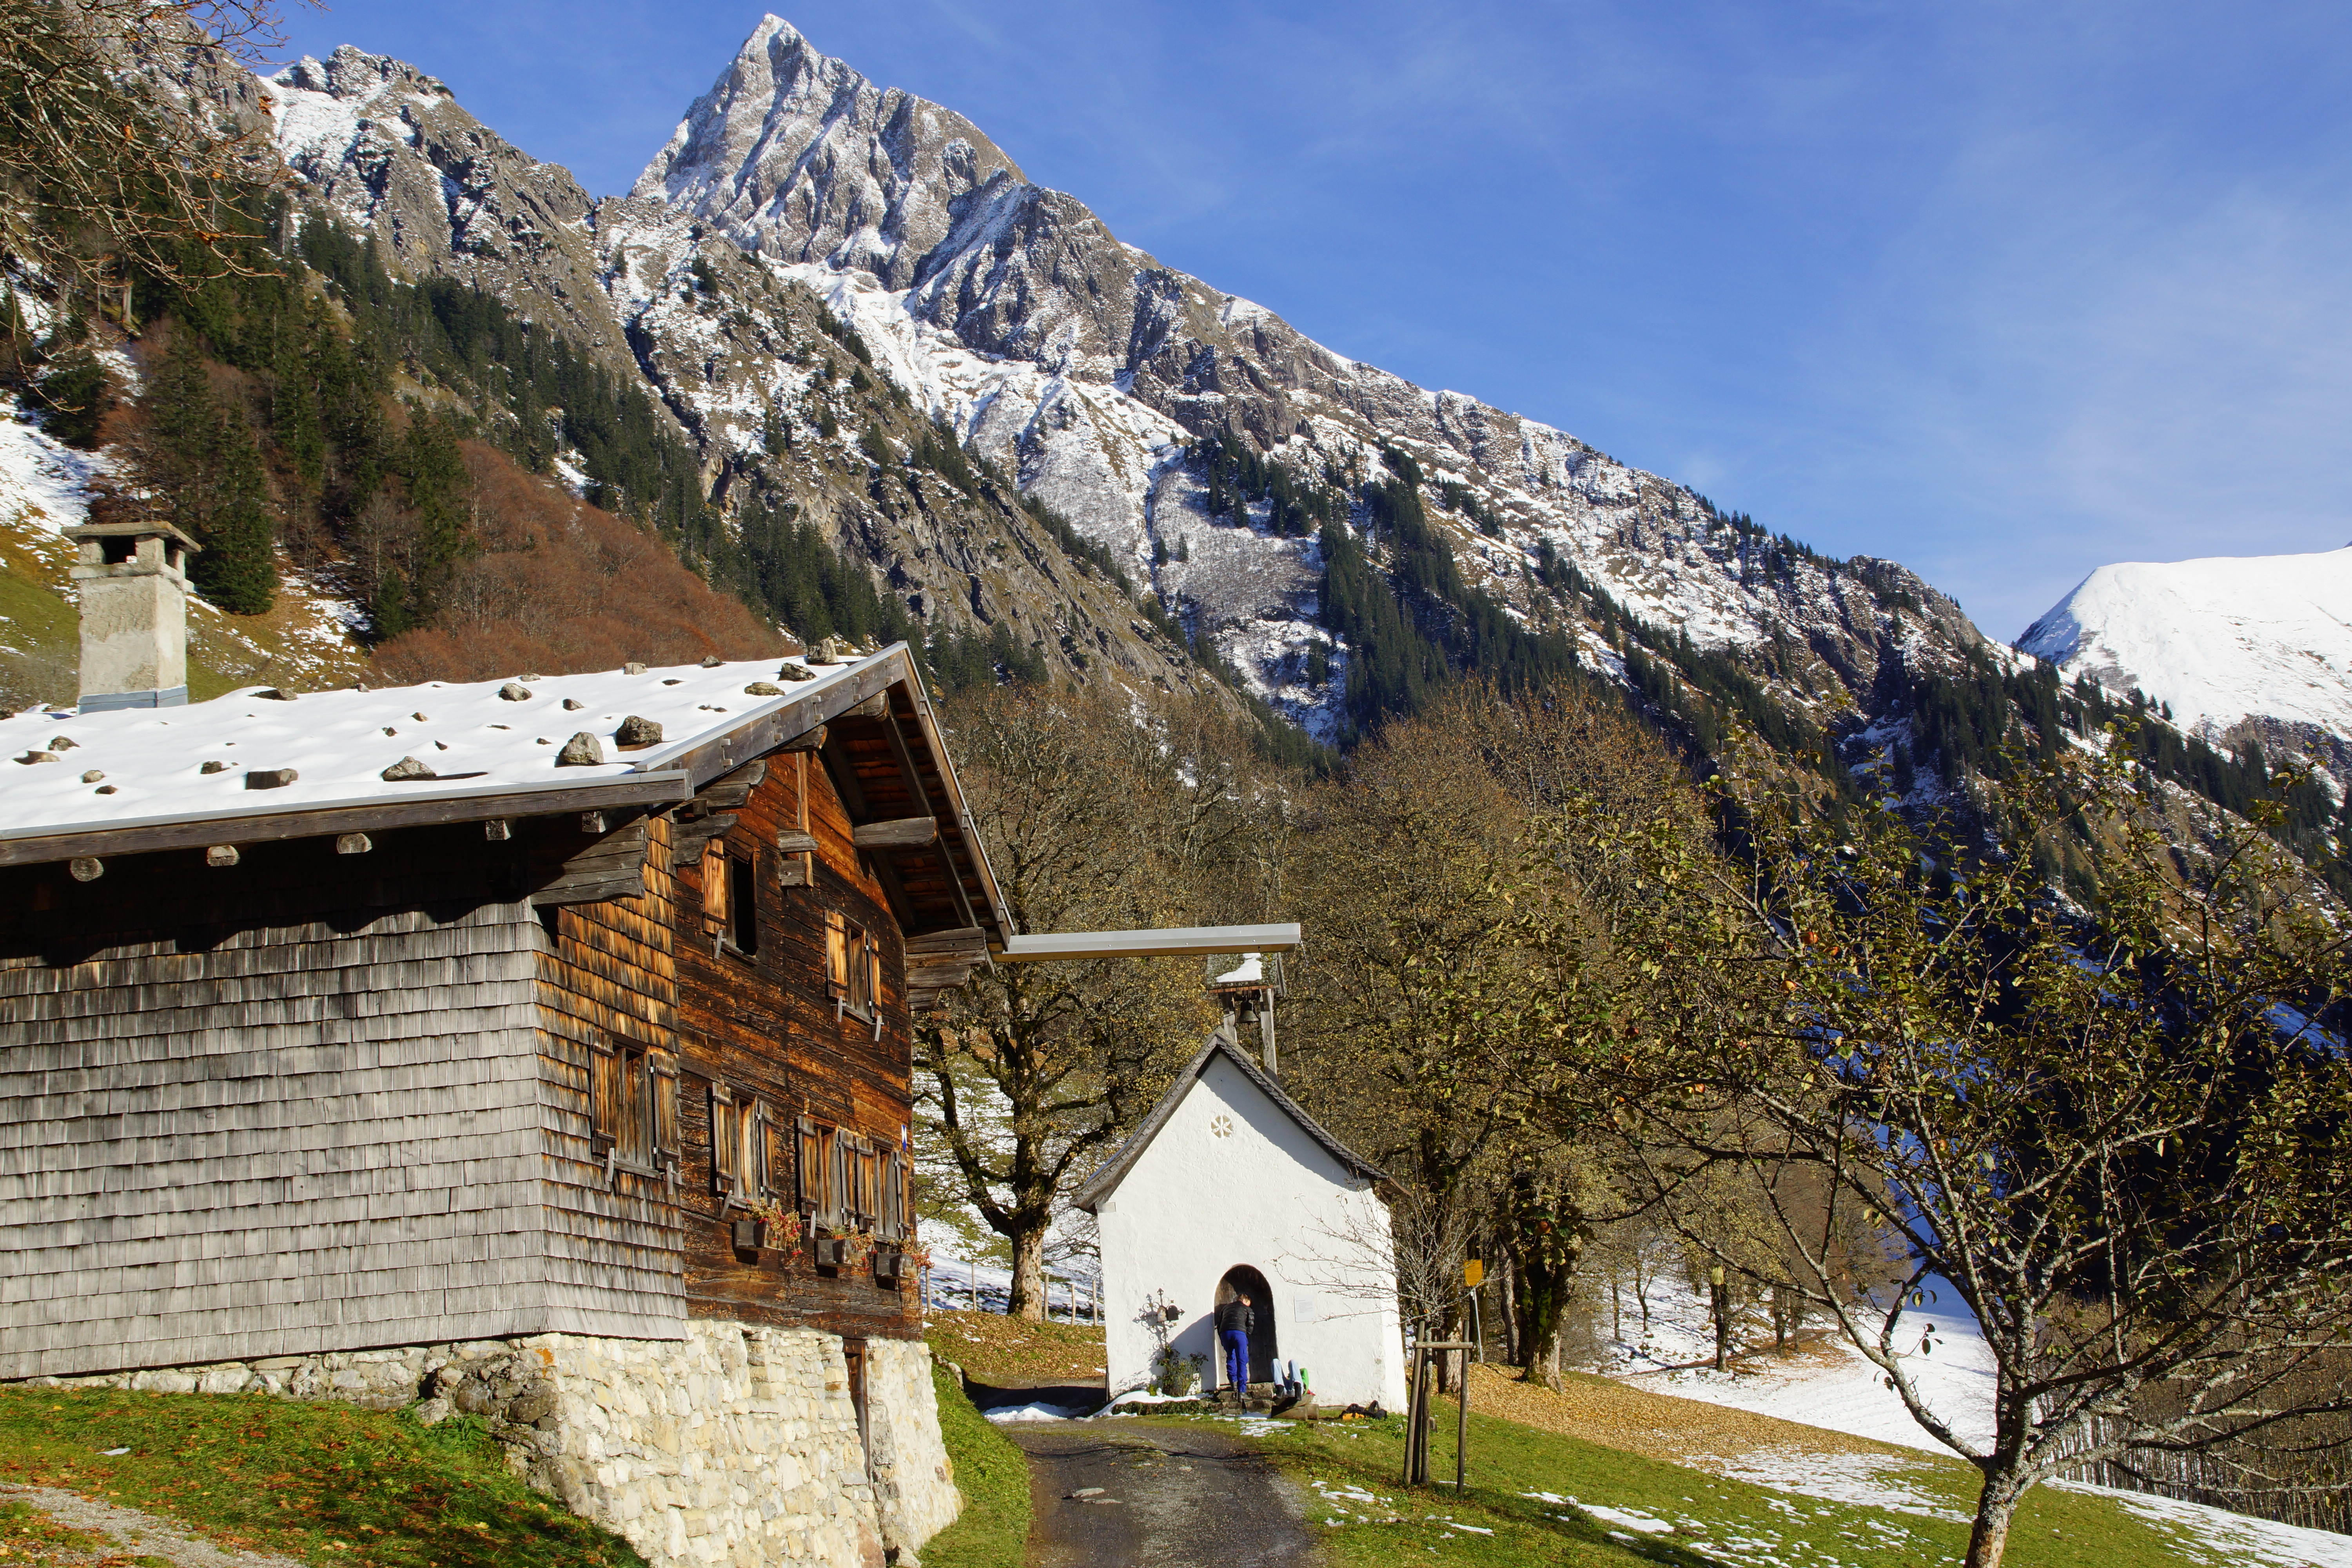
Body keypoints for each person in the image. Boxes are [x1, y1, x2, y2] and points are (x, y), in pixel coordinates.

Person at [1215, 1291, 1254, 1390]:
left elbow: (1219, 1324)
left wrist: (1222, 1337)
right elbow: (1251, 1325)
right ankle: (1242, 1390)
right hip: (1239, 1333)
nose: (1248, 1306)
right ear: (1244, 1301)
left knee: (1231, 1356)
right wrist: (1247, 1335)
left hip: (1225, 1333)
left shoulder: (1226, 1308)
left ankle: (1234, 1383)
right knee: (1242, 1360)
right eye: (1248, 1303)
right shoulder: (1248, 1309)